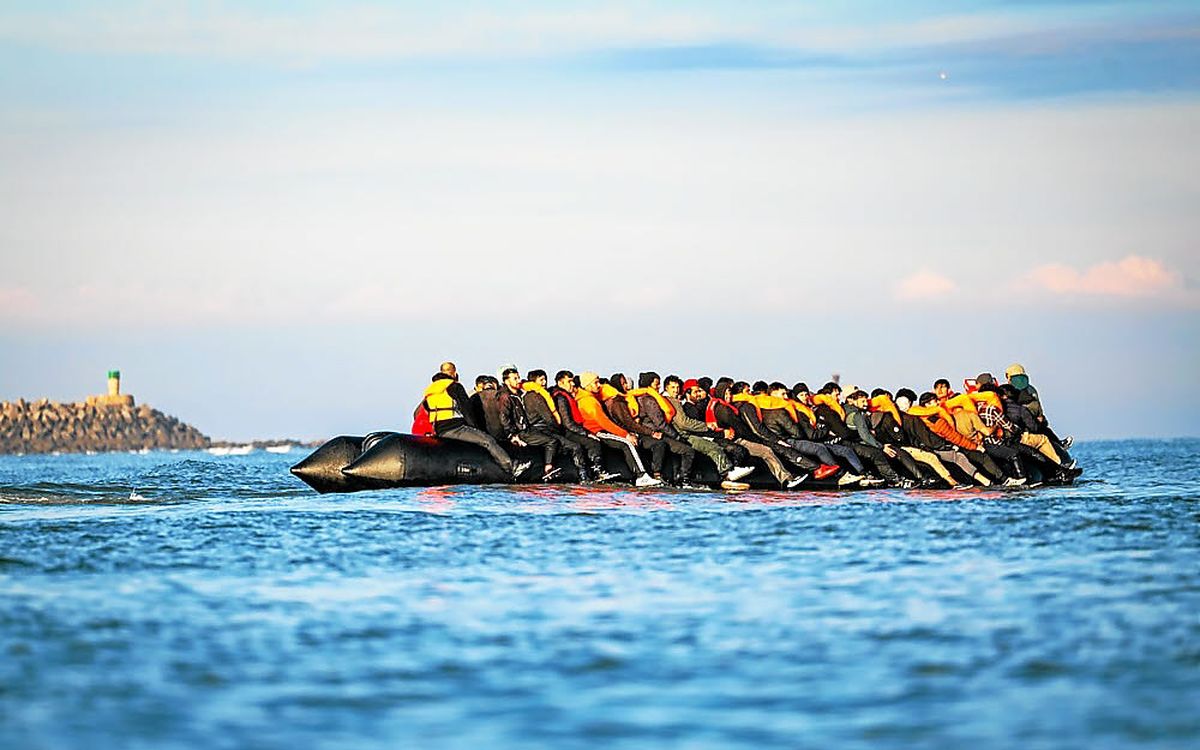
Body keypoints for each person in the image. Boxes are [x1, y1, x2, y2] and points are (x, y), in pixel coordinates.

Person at [421, 372, 531, 479]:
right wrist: (475, 428)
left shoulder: (430, 392)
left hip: (439, 430)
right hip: (456, 428)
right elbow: (466, 409)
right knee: (487, 441)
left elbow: (427, 409)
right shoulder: (454, 386)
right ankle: (511, 467)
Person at [700, 381, 807, 489]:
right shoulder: (724, 410)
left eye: (730, 393)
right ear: (720, 393)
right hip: (735, 440)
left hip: (729, 439)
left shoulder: (717, 406)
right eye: (727, 393)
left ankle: (786, 479)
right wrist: (758, 440)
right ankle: (786, 479)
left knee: (766, 451)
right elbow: (740, 429)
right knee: (766, 451)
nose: (729, 396)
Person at [662, 375, 755, 487]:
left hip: (685, 434)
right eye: (673, 387)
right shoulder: (676, 403)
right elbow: (684, 423)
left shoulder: (680, 402)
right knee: (713, 448)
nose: (676, 390)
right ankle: (727, 474)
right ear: (666, 388)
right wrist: (708, 427)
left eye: (677, 387)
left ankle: (726, 476)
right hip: (684, 435)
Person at [575, 371, 663, 487]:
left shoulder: (592, 397)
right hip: (598, 431)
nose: (599, 385)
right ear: (587, 385)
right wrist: (625, 434)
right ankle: (641, 476)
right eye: (595, 383)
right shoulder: (588, 401)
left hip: (601, 430)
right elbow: (604, 422)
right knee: (627, 443)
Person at [496, 366, 572, 482]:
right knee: (551, 441)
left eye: (518, 377)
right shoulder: (505, 397)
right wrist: (512, 435)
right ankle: (548, 468)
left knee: (553, 439)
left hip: (527, 428)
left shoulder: (519, 395)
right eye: (515, 378)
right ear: (507, 381)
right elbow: (504, 417)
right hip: (521, 432)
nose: (518, 381)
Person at [550, 370, 620, 483]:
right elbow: (567, 423)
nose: (572, 384)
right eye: (569, 381)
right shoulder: (560, 398)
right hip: (568, 431)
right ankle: (593, 473)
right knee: (592, 443)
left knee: (592, 442)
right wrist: (587, 433)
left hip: (573, 429)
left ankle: (594, 472)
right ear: (560, 383)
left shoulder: (567, 396)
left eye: (572, 381)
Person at [844, 389, 919, 487]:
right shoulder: (857, 415)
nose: (866, 403)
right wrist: (881, 446)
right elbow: (865, 436)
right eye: (862, 401)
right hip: (853, 443)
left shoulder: (847, 410)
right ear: (853, 401)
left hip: (852, 442)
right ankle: (895, 480)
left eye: (866, 401)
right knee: (877, 454)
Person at [1005, 363, 1073, 451]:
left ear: (1008, 376)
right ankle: (1060, 444)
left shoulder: (1006, 390)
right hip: (1034, 423)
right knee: (1045, 430)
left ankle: (1059, 446)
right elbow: (1039, 412)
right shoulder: (1032, 389)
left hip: (1017, 426)